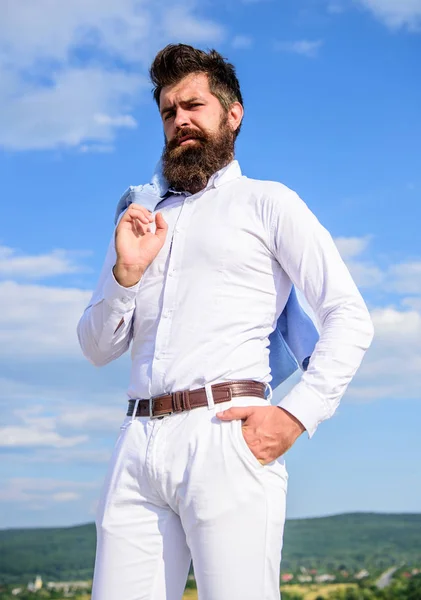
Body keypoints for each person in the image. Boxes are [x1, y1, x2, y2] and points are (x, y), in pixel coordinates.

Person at [77, 44, 374, 600]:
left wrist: (295, 415)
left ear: (232, 114)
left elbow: (349, 316)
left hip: (225, 434)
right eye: (168, 112)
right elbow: (96, 347)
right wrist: (125, 273)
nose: (180, 121)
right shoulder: (141, 219)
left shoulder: (269, 203)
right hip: (136, 440)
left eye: (193, 105)